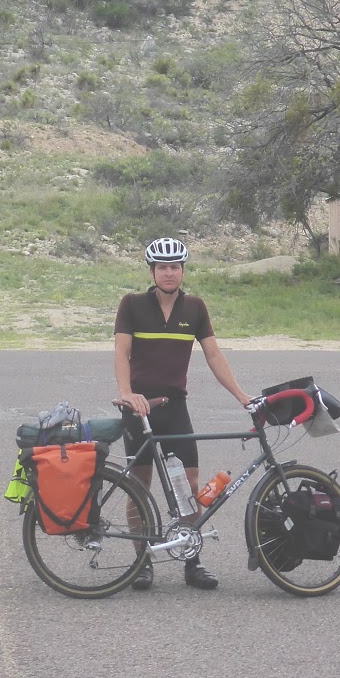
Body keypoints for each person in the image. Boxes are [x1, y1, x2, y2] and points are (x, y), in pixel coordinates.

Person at [114, 236, 250, 591]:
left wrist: (241, 396)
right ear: (152, 271)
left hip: (175, 409)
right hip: (139, 410)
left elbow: (214, 356)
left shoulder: (195, 309)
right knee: (138, 488)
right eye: (163, 267)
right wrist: (128, 394)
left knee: (188, 486)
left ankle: (193, 561)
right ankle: (142, 562)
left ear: (183, 270)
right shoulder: (131, 305)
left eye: (175, 267)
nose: (169, 273)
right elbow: (121, 354)